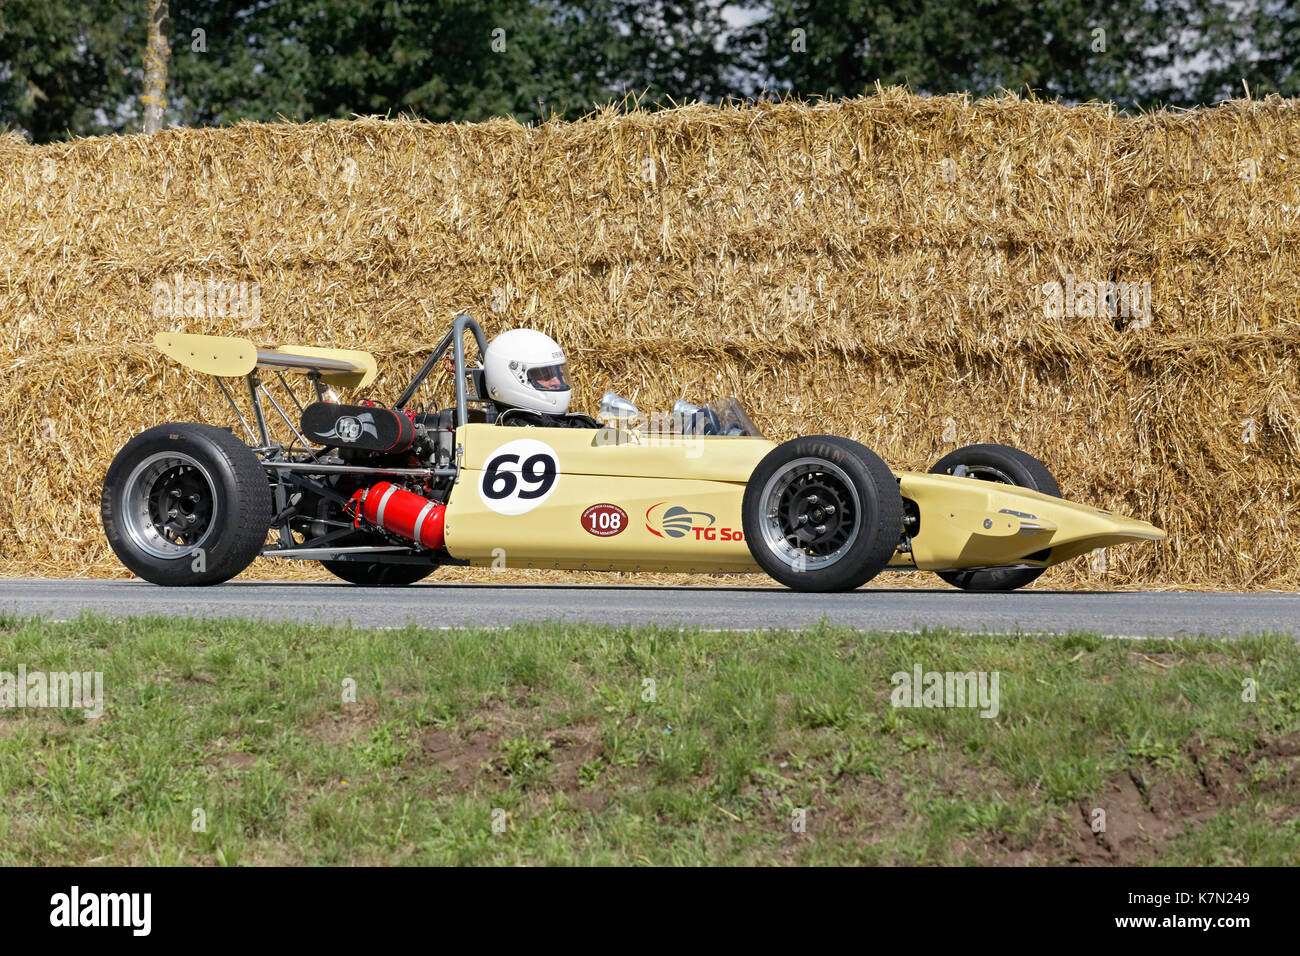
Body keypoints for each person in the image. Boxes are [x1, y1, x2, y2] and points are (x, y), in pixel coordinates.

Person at [482, 328, 597, 427]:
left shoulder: (575, 425)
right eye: (546, 376)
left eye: (559, 375)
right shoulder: (513, 431)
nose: (557, 382)